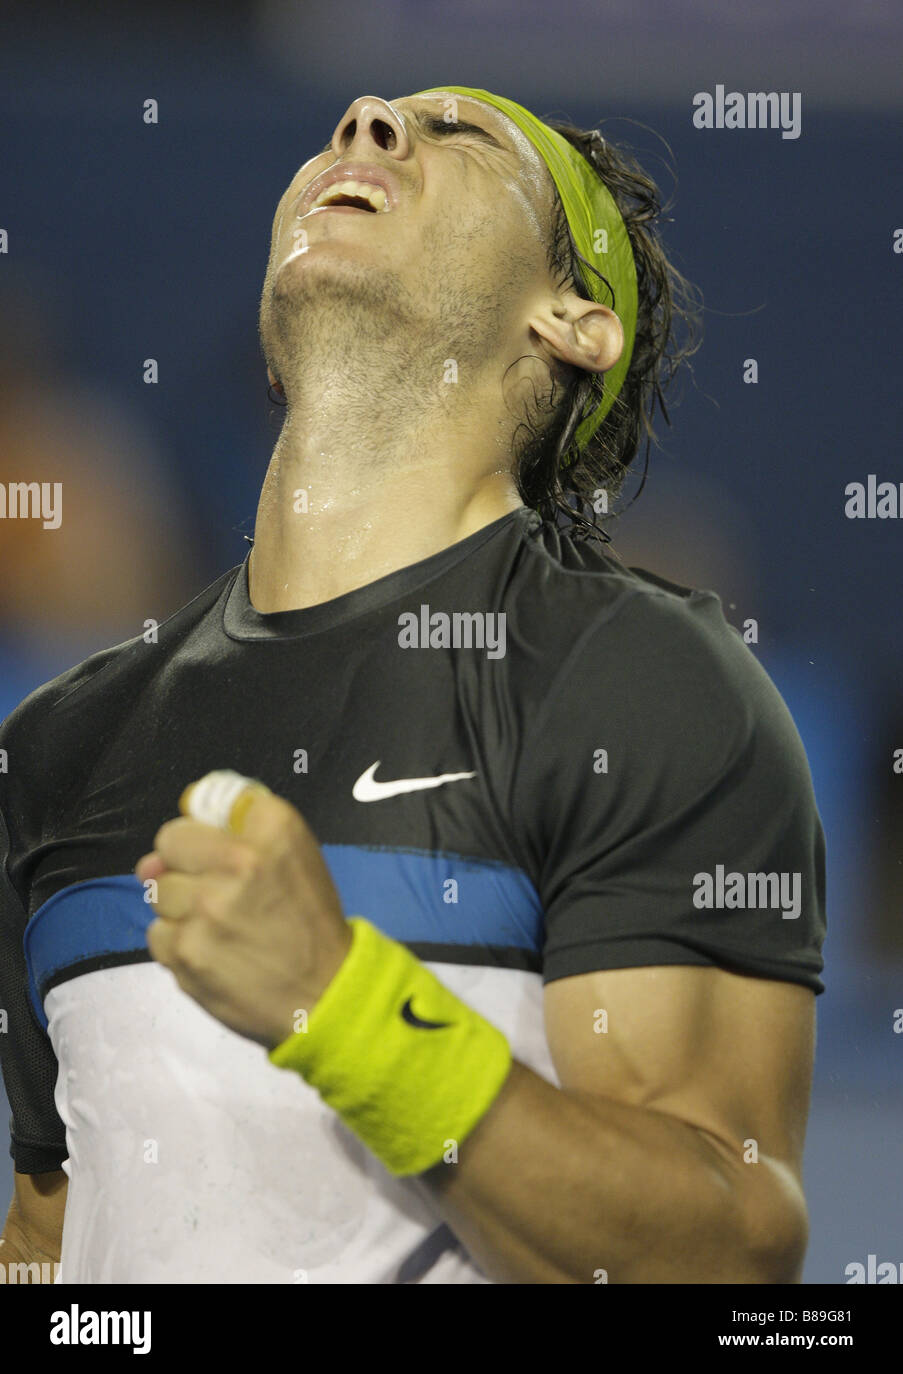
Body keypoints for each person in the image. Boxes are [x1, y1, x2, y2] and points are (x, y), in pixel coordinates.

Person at [0, 88, 825, 1285]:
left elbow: (726, 1253)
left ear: (573, 321)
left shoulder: (641, 685)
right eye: (367, 122)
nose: (368, 121)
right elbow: (51, 1243)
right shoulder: (59, 747)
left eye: (463, 137)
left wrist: (346, 1009)